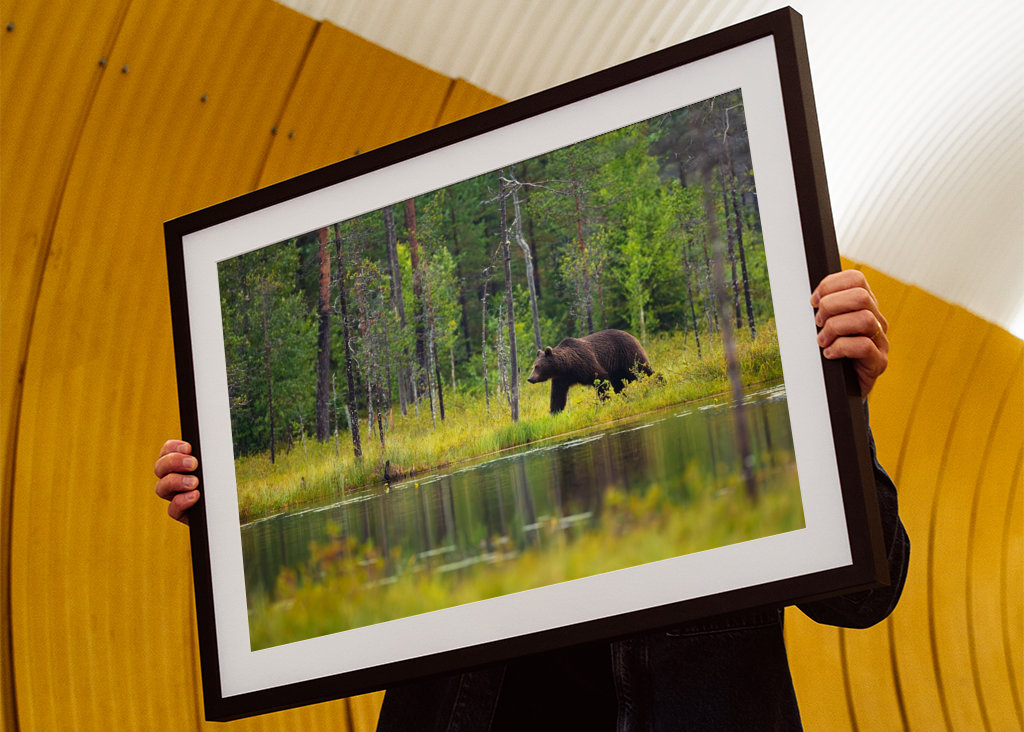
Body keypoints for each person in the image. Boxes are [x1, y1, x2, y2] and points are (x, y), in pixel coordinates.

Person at [154, 270, 909, 730]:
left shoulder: (604, 367)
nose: (540, 376)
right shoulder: (558, 379)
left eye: (540, 370)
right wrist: (234, 512)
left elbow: (865, 598)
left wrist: (839, 403)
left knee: (631, 388)